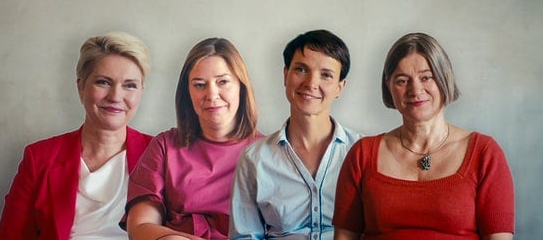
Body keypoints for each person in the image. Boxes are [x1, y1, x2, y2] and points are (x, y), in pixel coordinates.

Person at [333, 32, 515, 239]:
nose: (415, 89)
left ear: (444, 78)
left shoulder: (484, 153)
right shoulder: (362, 154)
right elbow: (344, 236)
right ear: (388, 86)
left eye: (426, 77)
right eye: (402, 80)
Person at [0, 31, 153, 239]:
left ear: (141, 90)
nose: (116, 96)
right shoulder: (39, 158)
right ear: (81, 86)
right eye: (103, 82)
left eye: (130, 85)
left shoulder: (160, 154)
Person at [124, 37, 262, 239]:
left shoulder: (267, 152)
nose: (212, 94)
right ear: (187, 92)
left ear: (241, 86)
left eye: (222, 82)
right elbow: (140, 226)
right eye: (199, 85)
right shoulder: (165, 146)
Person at [230, 29, 362, 239]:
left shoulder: (362, 153)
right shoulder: (254, 160)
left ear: (340, 87)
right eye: (301, 69)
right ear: (285, 75)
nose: (311, 83)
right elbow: (245, 236)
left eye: (326, 75)